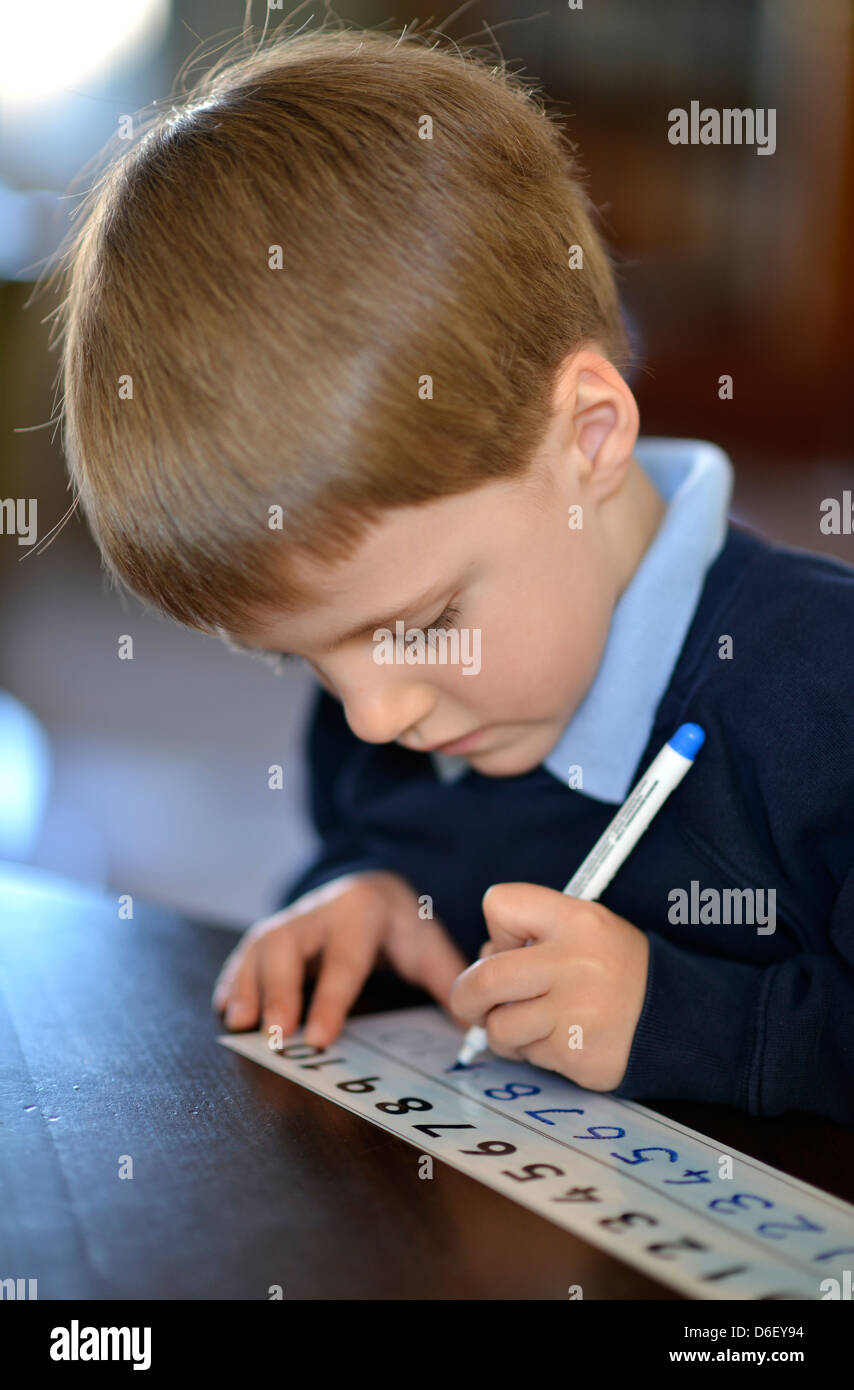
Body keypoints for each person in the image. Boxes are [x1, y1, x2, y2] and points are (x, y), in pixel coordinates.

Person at [55, 23, 854, 1126]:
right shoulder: (403, 706)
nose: (373, 717)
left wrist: (680, 1020)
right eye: (304, 657)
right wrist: (360, 900)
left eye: (423, 621)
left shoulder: (820, 697)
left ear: (585, 437)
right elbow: (378, 841)